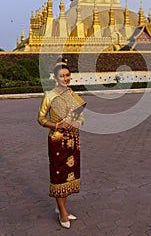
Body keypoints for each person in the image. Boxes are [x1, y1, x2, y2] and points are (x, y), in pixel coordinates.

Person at [37, 57, 86, 229]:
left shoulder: (72, 94)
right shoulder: (49, 96)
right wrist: (58, 125)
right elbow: (41, 119)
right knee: (58, 175)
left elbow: (81, 117)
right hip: (57, 141)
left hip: (73, 140)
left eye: (67, 75)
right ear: (55, 78)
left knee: (69, 175)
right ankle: (63, 211)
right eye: (62, 76)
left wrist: (76, 123)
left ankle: (61, 207)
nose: (65, 78)